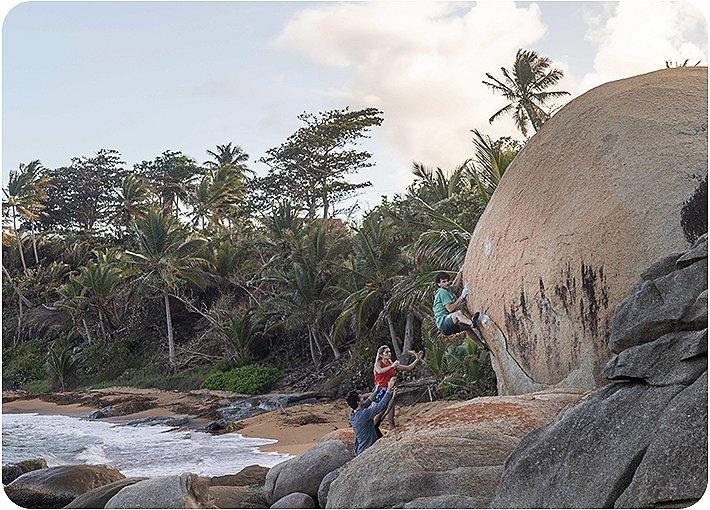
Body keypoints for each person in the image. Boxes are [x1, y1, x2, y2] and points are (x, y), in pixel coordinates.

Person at [432, 270, 488, 350]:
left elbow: (455, 285)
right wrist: (462, 296)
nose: (447, 283)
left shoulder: (447, 289)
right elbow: (450, 308)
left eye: (448, 281)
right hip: (443, 323)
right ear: (439, 284)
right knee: (458, 313)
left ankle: (482, 346)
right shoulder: (442, 292)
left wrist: (460, 272)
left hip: (446, 327)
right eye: (444, 282)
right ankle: (471, 322)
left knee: (467, 328)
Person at [372, 345, 423, 430]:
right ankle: (372, 430)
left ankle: (392, 433)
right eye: (386, 352)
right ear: (381, 355)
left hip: (390, 391)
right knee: (378, 415)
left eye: (389, 351)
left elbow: (408, 368)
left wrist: (417, 360)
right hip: (380, 392)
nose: (389, 353)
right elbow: (380, 371)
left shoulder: (392, 363)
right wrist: (392, 366)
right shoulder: (378, 364)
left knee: (391, 417)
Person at [346, 376, 397, 456]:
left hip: (360, 448)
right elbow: (381, 406)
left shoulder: (352, 414)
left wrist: (377, 390)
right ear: (358, 402)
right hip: (367, 449)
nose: (363, 397)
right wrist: (389, 389)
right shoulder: (363, 415)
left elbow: (368, 401)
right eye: (361, 397)